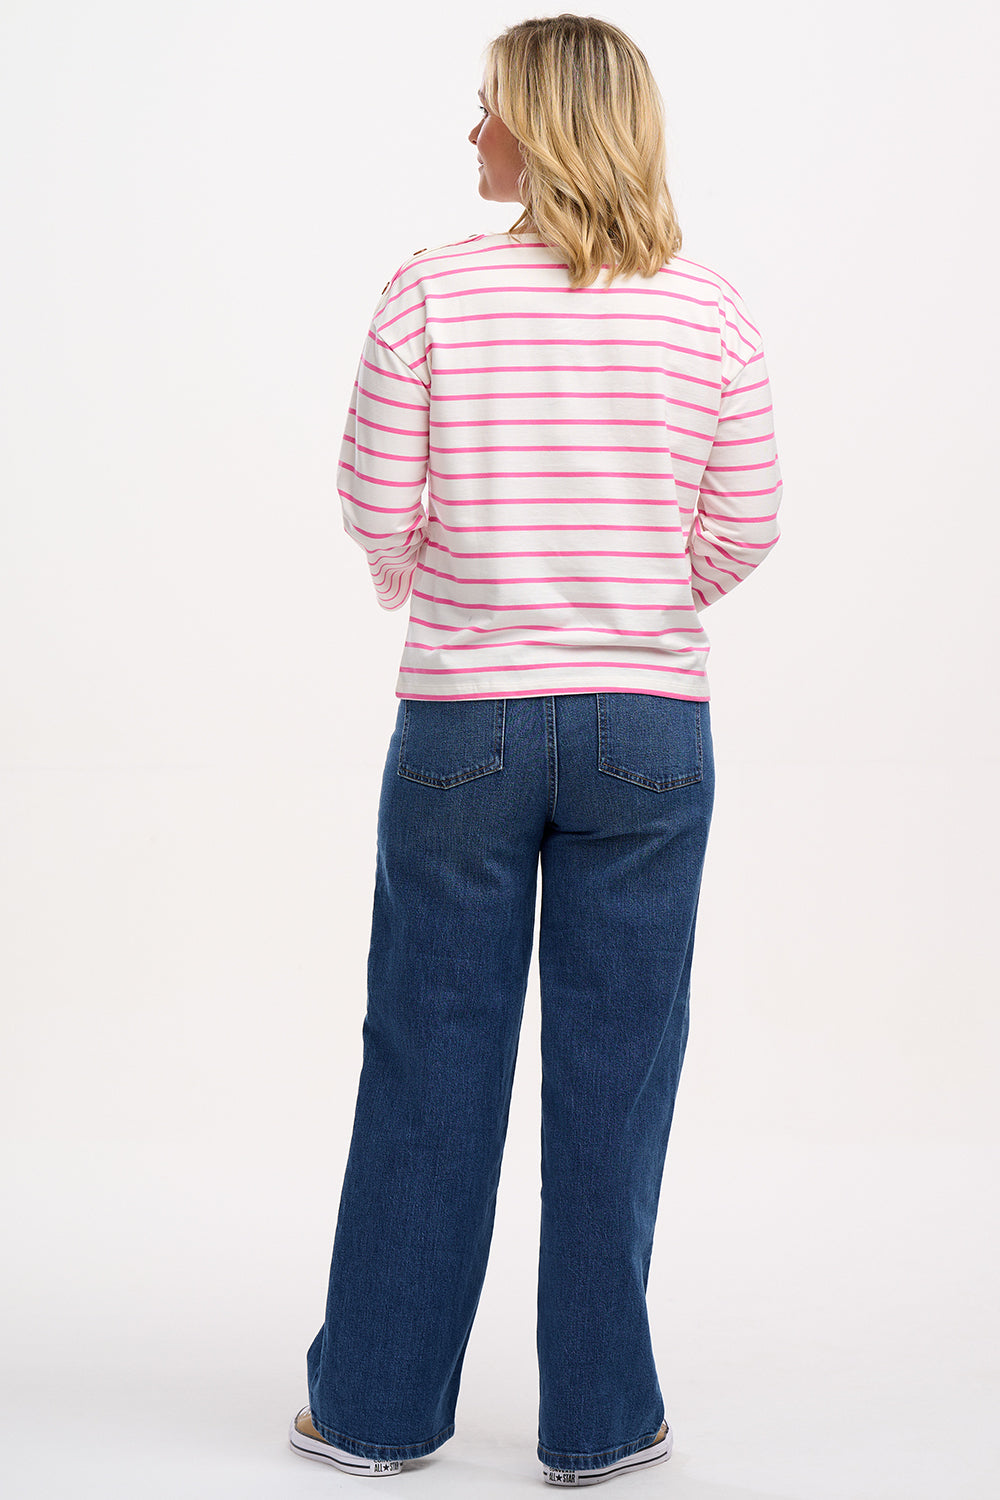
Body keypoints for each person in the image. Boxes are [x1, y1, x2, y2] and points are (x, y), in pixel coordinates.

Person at [289, 11, 783, 1486]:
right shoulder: (712, 312)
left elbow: (377, 503)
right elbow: (746, 525)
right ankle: (599, 1425)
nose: (473, 133)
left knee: (427, 1057)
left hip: (460, 728)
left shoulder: (430, 295)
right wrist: (634, 600)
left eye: (490, 109)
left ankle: (375, 1410)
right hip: (650, 728)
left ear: (547, 128)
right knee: (617, 1071)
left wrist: (450, 591)